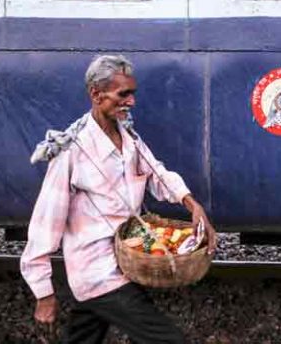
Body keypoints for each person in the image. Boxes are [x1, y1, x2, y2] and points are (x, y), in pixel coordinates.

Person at [21, 54, 216, 343]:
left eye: (132, 93)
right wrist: (43, 293)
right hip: (99, 271)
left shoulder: (129, 138)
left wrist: (192, 204)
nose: (132, 101)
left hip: (121, 261)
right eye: (123, 94)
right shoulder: (72, 151)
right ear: (96, 95)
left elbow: (158, 174)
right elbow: (44, 224)